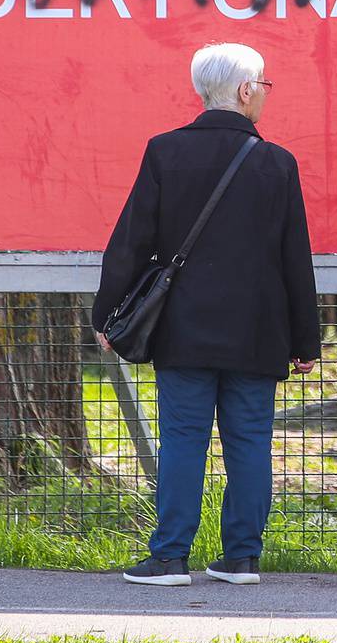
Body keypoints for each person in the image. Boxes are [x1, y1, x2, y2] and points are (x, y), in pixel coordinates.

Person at [91, 42, 320, 587]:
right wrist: (306, 341)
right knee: (249, 442)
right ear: (245, 91)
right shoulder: (276, 163)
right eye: (263, 84)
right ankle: (242, 557)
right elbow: (295, 257)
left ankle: (170, 557)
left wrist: (106, 315)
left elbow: (130, 241)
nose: (264, 94)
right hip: (258, 333)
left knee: (183, 440)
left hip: (184, 330)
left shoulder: (165, 152)